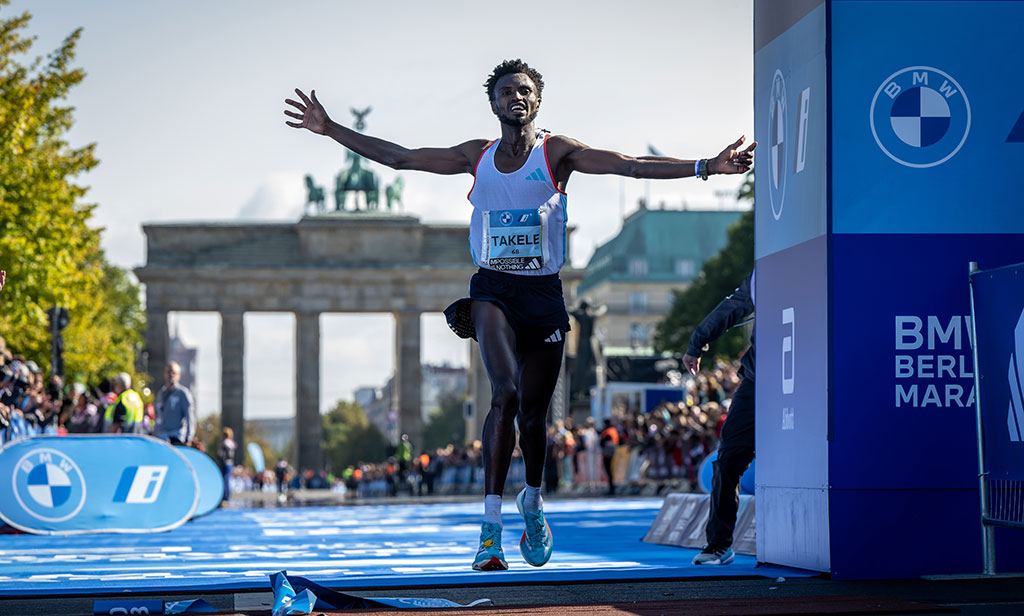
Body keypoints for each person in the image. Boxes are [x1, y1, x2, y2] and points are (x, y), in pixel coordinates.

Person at [284, 58, 755, 571]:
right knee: (502, 394)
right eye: (506, 90)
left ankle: (532, 499)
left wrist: (706, 166)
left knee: (533, 418)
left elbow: (631, 164)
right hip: (492, 289)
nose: (516, 97)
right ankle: (490, 529)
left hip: (543, 296)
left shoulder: (558, 153)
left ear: (537, 101)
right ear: (492, 104)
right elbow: (400, 159)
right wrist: (329, 129)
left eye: (524, 90)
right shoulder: (476, 156)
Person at [683, 271, 754, 566]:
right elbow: (730, 308)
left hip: (806, 375)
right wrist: (696, 344)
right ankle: (719, 544)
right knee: (727, 460)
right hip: (758, 381)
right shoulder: (763, 273)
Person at [153, 361, 196, 445]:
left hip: (177, 438)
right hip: (161, 437)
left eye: (174, 373)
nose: (171, 375)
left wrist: (189, 437)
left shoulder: (183, 393)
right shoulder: (161, 394)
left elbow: (190, 416)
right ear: (165, 374)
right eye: (169, 372)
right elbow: (157, 415)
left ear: (179, 376)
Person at [217, 427, 237, 502]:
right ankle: (227, 495)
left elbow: (220, 454)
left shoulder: (224, 442)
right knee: (228, 479)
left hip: (225, 462)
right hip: (230, 463)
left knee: (225, 479)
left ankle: (225, 496)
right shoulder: (232, 443)